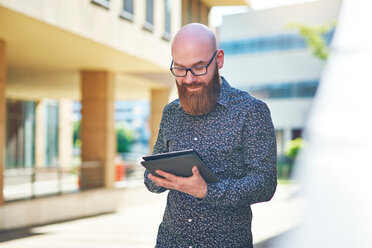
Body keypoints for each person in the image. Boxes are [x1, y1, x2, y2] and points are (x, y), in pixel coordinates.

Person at [144, 23, 277, 248]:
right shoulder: (171, 113)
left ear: (219, 60)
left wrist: (207, 191)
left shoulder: (251, 111)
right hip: (170, 241)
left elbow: (265, 184)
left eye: (198, 68)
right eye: (180, 68)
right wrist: (154, 179)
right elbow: (154, 176)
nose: (188, 79)